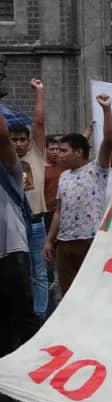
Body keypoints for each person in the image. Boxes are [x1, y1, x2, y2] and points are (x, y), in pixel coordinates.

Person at [43, 93, 112, 296]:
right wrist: (50, 240)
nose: (59, 154)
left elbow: (108, 140)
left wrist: (106, 109)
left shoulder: (97, 170)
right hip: (64, 244)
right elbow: (58, 212)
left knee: (92, 293)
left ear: (78, 152)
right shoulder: (64, 176)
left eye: (64, 150)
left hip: (90, 241)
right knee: (67, 295)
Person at [0, 112, 40, 353]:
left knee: (23, 316)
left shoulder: (11, 170)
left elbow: (3, 139)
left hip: (11, 252)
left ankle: (34, 363)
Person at [9, 78, 48, 319]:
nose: (19, 144)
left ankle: (40, 315)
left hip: (35, 223)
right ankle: (20, 316)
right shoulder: (5, 161)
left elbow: (39, 122)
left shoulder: (36, 154)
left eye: (22, 139)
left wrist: (39, 92)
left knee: (40, 273)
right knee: (16, 273)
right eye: (13, 140)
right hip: (13, 226)